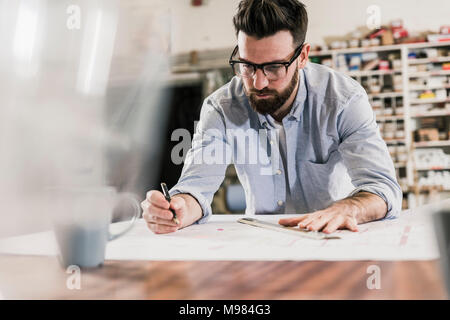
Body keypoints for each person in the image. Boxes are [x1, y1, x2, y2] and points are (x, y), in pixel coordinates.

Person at [141, 0, 402, 235]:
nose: (258, 81)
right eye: (247, 66)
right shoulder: (221, 107)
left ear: (302, 56)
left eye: (274, 67)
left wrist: (350, 208)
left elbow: (383, 188)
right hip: (262, 242)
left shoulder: (343, 100)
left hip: (332, 237)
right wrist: (177, 208)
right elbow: (196, 187)